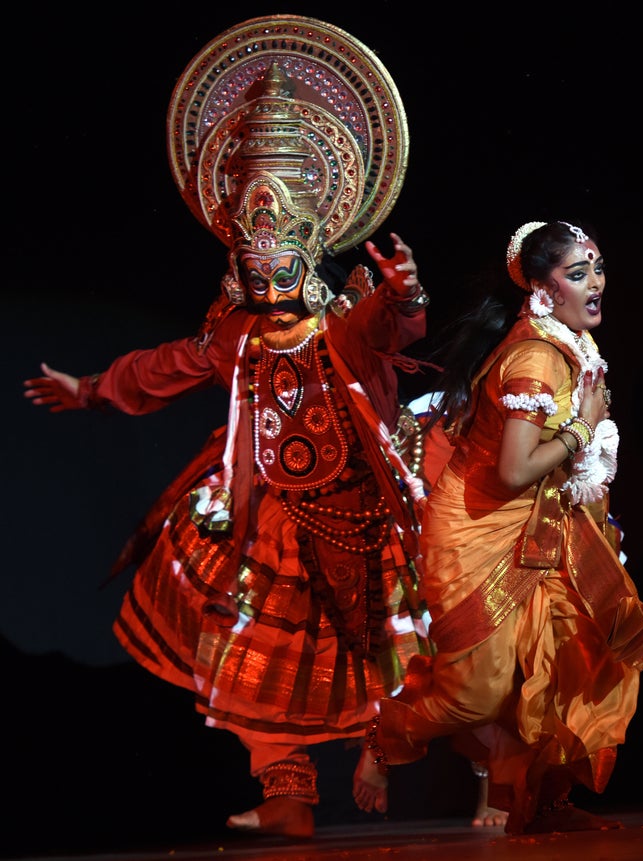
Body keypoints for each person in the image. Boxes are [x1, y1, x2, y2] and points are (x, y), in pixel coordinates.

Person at [23, 17, 433, 840]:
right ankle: (286, 793)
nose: (265, 266)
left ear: (313, 244)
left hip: (358, 515)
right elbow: (164, 366)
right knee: (246, 648)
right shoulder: (235, 333)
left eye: (280, 253)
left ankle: (400, 756)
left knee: (389, 653)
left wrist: (402, 295)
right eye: (252, 254)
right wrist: (93, 388)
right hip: (267, 517)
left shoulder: (339, 325)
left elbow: (387, 335)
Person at [352, 220, 643, 834]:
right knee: (479, 692)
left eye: (598, 268)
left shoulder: (569, 344)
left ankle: (540, 799)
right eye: (578, 274)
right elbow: (514, 470)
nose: (596, 283)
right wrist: (582, 428)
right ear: (541, 287)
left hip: (547, 526)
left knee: (563, 663)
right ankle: (387, 735)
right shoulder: (536, 358)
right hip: (482, 529)